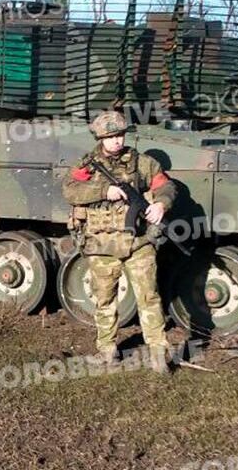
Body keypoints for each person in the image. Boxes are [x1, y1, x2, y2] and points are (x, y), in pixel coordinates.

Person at [62, 111, 176, 374]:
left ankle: (158, 354)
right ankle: (107, 352)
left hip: (138, 243)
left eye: (120, 135)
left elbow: (166, 186)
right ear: (101, 137)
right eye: (110, 136)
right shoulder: (87, 165)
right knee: (105, 300)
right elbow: (69, 190)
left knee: (149, 297)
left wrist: (161, 204)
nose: (116, 141)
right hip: (101, 244)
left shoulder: (143, 163)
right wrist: (104, 191)